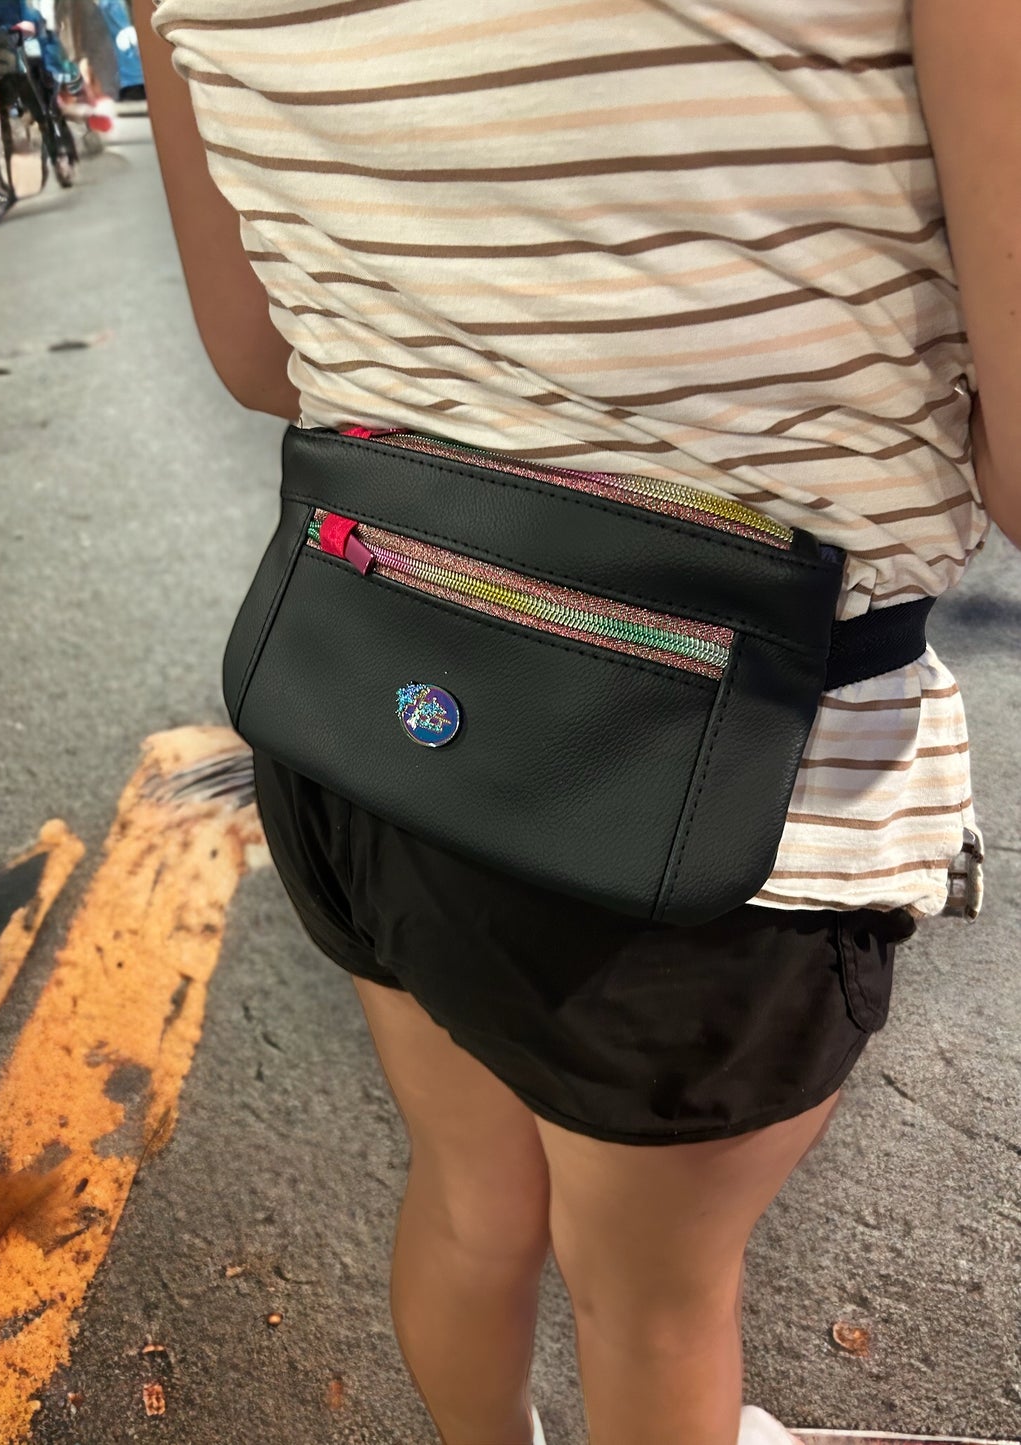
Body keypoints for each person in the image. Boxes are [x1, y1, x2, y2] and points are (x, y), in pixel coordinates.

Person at [134, 3, 1011, 1444]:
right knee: (648, 1300)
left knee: (470, 1199)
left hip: (369, 692)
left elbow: (253, 352)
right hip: (719, 779)